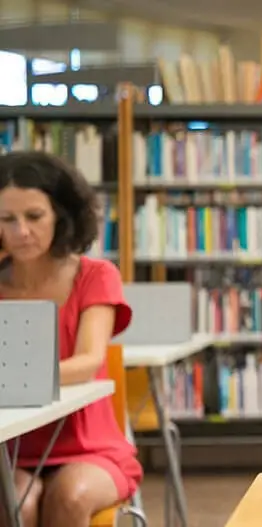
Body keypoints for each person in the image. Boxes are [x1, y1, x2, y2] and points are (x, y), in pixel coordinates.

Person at [0, 152, 142, 527]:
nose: (21, 232)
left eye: (34, 216)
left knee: (69, 496)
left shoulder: (95, 275)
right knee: (18, 505)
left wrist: (16, 380)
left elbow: (89, 361)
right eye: (6, 219)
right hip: (8, 444)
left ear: (61, 216)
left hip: (89, 445)